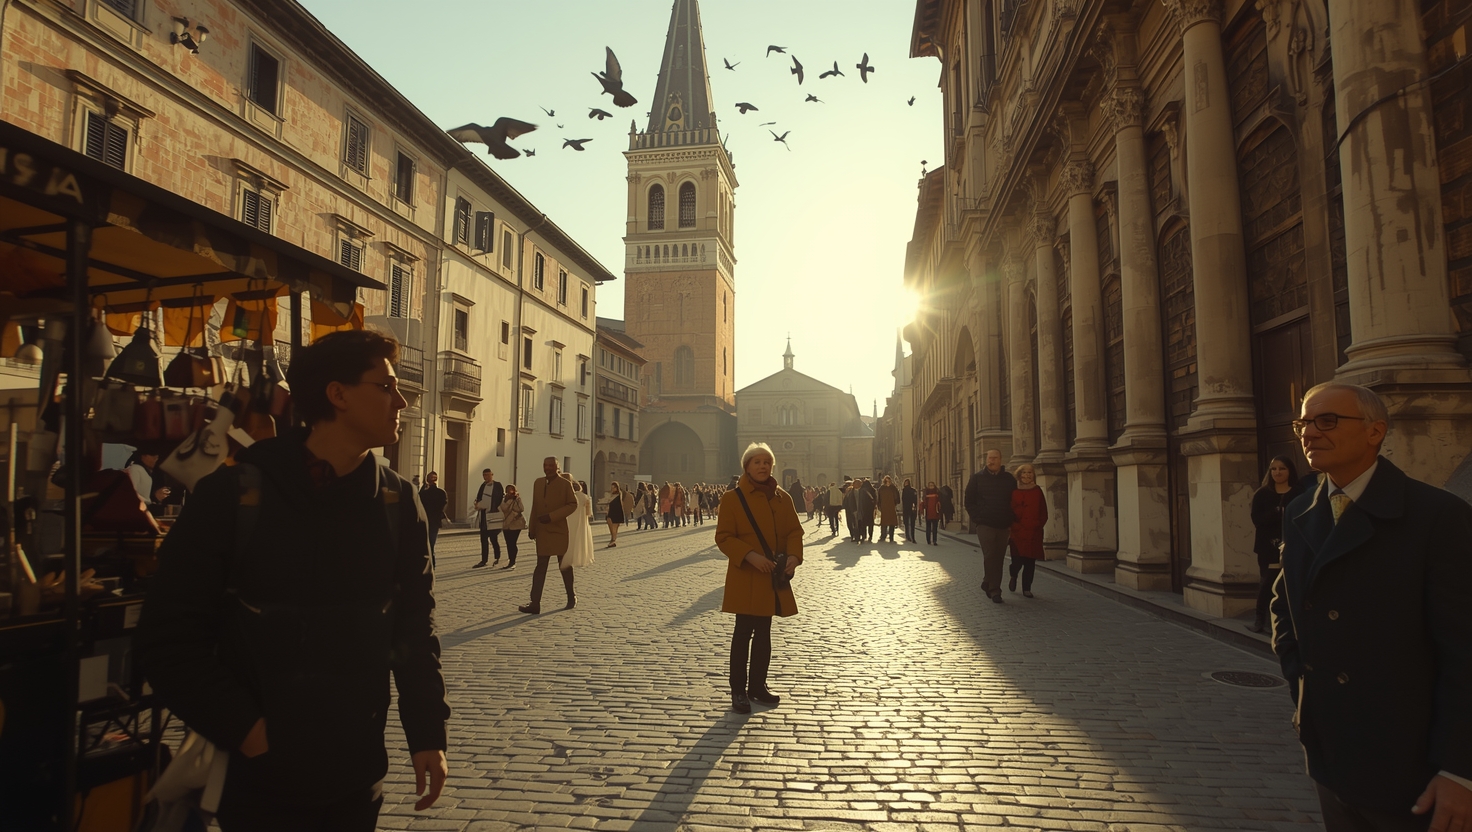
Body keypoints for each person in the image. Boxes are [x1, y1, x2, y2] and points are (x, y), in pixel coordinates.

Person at [134, 329, 448, 829]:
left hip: (355, 775)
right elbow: (168, 638)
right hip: (259, 780)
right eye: (385, 387)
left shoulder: (398, 503)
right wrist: (248, 730)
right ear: (337, 394)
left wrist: (427, 734)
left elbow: (413, 630)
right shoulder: (232, 496)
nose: (402, 400)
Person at [1271, 382, 1472, 831]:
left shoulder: (1437, 516)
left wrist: (1460, 769)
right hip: (1331, 757)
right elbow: (1285, 608)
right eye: (1304, 422)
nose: (1309, 433)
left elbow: (1464, 651)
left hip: (1413, 767)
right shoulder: (1302, 509)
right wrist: (1303, 689)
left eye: (1327, 421)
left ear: (1374, 431)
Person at [716, 442, 803, 715]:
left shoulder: (783, 498)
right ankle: (738, 690)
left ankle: (758, 686)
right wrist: (750, 556)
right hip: (747, 574)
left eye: (767, 462)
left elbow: (793, 532)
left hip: (771, 575)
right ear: (747, 467)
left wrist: (793, 557)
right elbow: (724, 537)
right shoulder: (732, 498)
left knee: (764, 632)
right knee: (743, 632)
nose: (763, 466)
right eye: (757, 462)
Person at [1248, 455, 1303, 633]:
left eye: (1282, 469)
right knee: (1267, 583)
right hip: (1268, 547)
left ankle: (1291, 622)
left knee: (1292, 584)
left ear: (1290, 471)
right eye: (1274, 469)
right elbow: (1257, 520)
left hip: (1293, 546)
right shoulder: (1262, 494)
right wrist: (1276, 512)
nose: (1277, 472)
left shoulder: (1298, 493)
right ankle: (1260, 619)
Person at [519, 457, 578, 614]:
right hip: (542, 531)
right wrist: (532, 528)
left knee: (564, 566)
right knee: (540, 568)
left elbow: (573, 504)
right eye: (545, 465)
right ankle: (535, 603)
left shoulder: (565, 485)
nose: (548, 468)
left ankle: (571, 597)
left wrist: (552, 516)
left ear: (557, 467)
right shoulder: (538, 483)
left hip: (558, 530)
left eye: (551, 465)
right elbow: (535, 506)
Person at [965, 449, 1017, 603]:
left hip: (1003, 524)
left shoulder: (1009, 479)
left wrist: (1011, 519)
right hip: (985, 524)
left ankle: (988, 581)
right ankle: (995, 590)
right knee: (990, 554)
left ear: (1000, 460)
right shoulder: (977, 478)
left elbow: (1014, 501)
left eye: (994, 458)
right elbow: (969, 501)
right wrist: (977, 518)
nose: (991, 461)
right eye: (989, 458)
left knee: (999, 557)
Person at [1007, 463, 1048, 598]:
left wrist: (1038, 524)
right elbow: (1009, 510)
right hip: (1017, 532)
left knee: (1030, 562)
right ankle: (1013, 575)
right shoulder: (1013, 490)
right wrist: (1014, 526)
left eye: (1030, 472)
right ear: (1019, 475)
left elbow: (1043, 511)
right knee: (1017, 561)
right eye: (1024, 472)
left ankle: (1027, 588)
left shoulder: (1037, 490)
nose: (1027, 475)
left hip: (1033, 532)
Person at [472, 469, 504, 568]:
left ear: (492, 475)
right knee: (483, 538)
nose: (486, 477)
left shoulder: (497, 485)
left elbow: (500, 498)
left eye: (487, 475)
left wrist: (495, 508)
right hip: (484, 515)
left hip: (493, 515)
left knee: (494, 538)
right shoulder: (482, 486)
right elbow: (478, 498)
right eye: (484, 475)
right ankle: (484, 560)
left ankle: (497, 557)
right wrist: (478, 505)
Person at [418, 471, 449, 564]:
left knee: (427, 544)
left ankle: (428, 563)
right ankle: (431, 564)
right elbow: (444, 505)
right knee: (430, 544)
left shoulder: (424, 493)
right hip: (432, 521)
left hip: (426, 521)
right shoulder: (440, 492)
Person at [500, 484, 525, 570]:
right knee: (508, 543)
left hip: (516, 523)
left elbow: (521, 508)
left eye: (512, 490)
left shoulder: (517, 499)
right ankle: (510, 559)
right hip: (506, 523)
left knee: (513, 543)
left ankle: (512, 561)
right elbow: (502, 508)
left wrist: (516, 500)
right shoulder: (503, 499)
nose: (510, 491)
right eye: (509, 490)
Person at [876, 475, 900, 543]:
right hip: (884, 508)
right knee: (884, 523)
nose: (888, 482)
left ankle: (891, 537)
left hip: (891, 507)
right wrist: (879, 506)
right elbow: (879, 498)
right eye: (886, 481)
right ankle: (883, 536)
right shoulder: (881, 488)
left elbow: (897, 497)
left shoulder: (893, 488)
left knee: (892, 523)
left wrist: (895, 503)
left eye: (889, 481)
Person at [605, 481, 626, 547]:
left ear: (617, 488)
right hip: (611, 512)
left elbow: (620, 503)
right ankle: (612, 539)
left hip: (617, 512)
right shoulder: (611, 495)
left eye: (614, 487)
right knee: (610, 524)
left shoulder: (619, 494)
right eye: (612, 487)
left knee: (615, 527)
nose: (612, 489)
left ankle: (613, 540)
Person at [857, 478, 877, 543]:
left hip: (864, 509)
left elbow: (859, 500)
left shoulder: (861, 490)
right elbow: (876, 499)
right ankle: (870, 536)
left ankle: (863, 535)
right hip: (870, 509)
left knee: (863, 523)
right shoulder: (873, 490)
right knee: (871, 523)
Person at [901, 478, 918, 543]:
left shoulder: (912, 490)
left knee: (911, 523)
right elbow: (903, 500)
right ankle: (908, 536)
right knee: (907, 523)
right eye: (905, 483)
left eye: (907, 483)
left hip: (910, 508)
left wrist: (914, 505)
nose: (906, 484)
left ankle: (911, 537)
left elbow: (915, 500)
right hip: (907, 508)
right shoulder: (904, 491)